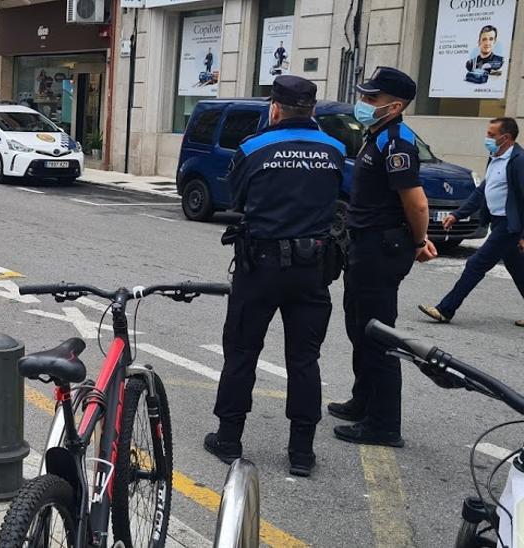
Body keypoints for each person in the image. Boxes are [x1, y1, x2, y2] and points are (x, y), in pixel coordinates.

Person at [204, 75, 345, 477]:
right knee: (304, 359)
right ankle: (302, 451)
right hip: (312, 268)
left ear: (275, 108)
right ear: (313, 110)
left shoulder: (253, 147)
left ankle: (229, 439)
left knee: (242, 352)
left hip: (260, 266)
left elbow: (237, 198)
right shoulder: (335, 149)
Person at [329, 67, 438, 448]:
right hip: (364, 245)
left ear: (394, 106)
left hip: (380, 248)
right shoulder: (377, 135)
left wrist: (420, 240)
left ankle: (384, 424)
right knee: (359, 327)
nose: (364, 103)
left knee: (379, 336)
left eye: (371, 99)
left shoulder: (398, 143)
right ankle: (363, 400)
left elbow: (417, 201)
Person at [419, 117, 524, 326]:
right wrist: (457, 214)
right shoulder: (495, 157)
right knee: (518, 268)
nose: (487, 138)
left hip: (510, 225)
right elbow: (482, 191)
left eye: (491, 135)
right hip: (498, 221)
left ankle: (445, 310)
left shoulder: (519, 161)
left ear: (506, 138)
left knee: (476, 264)